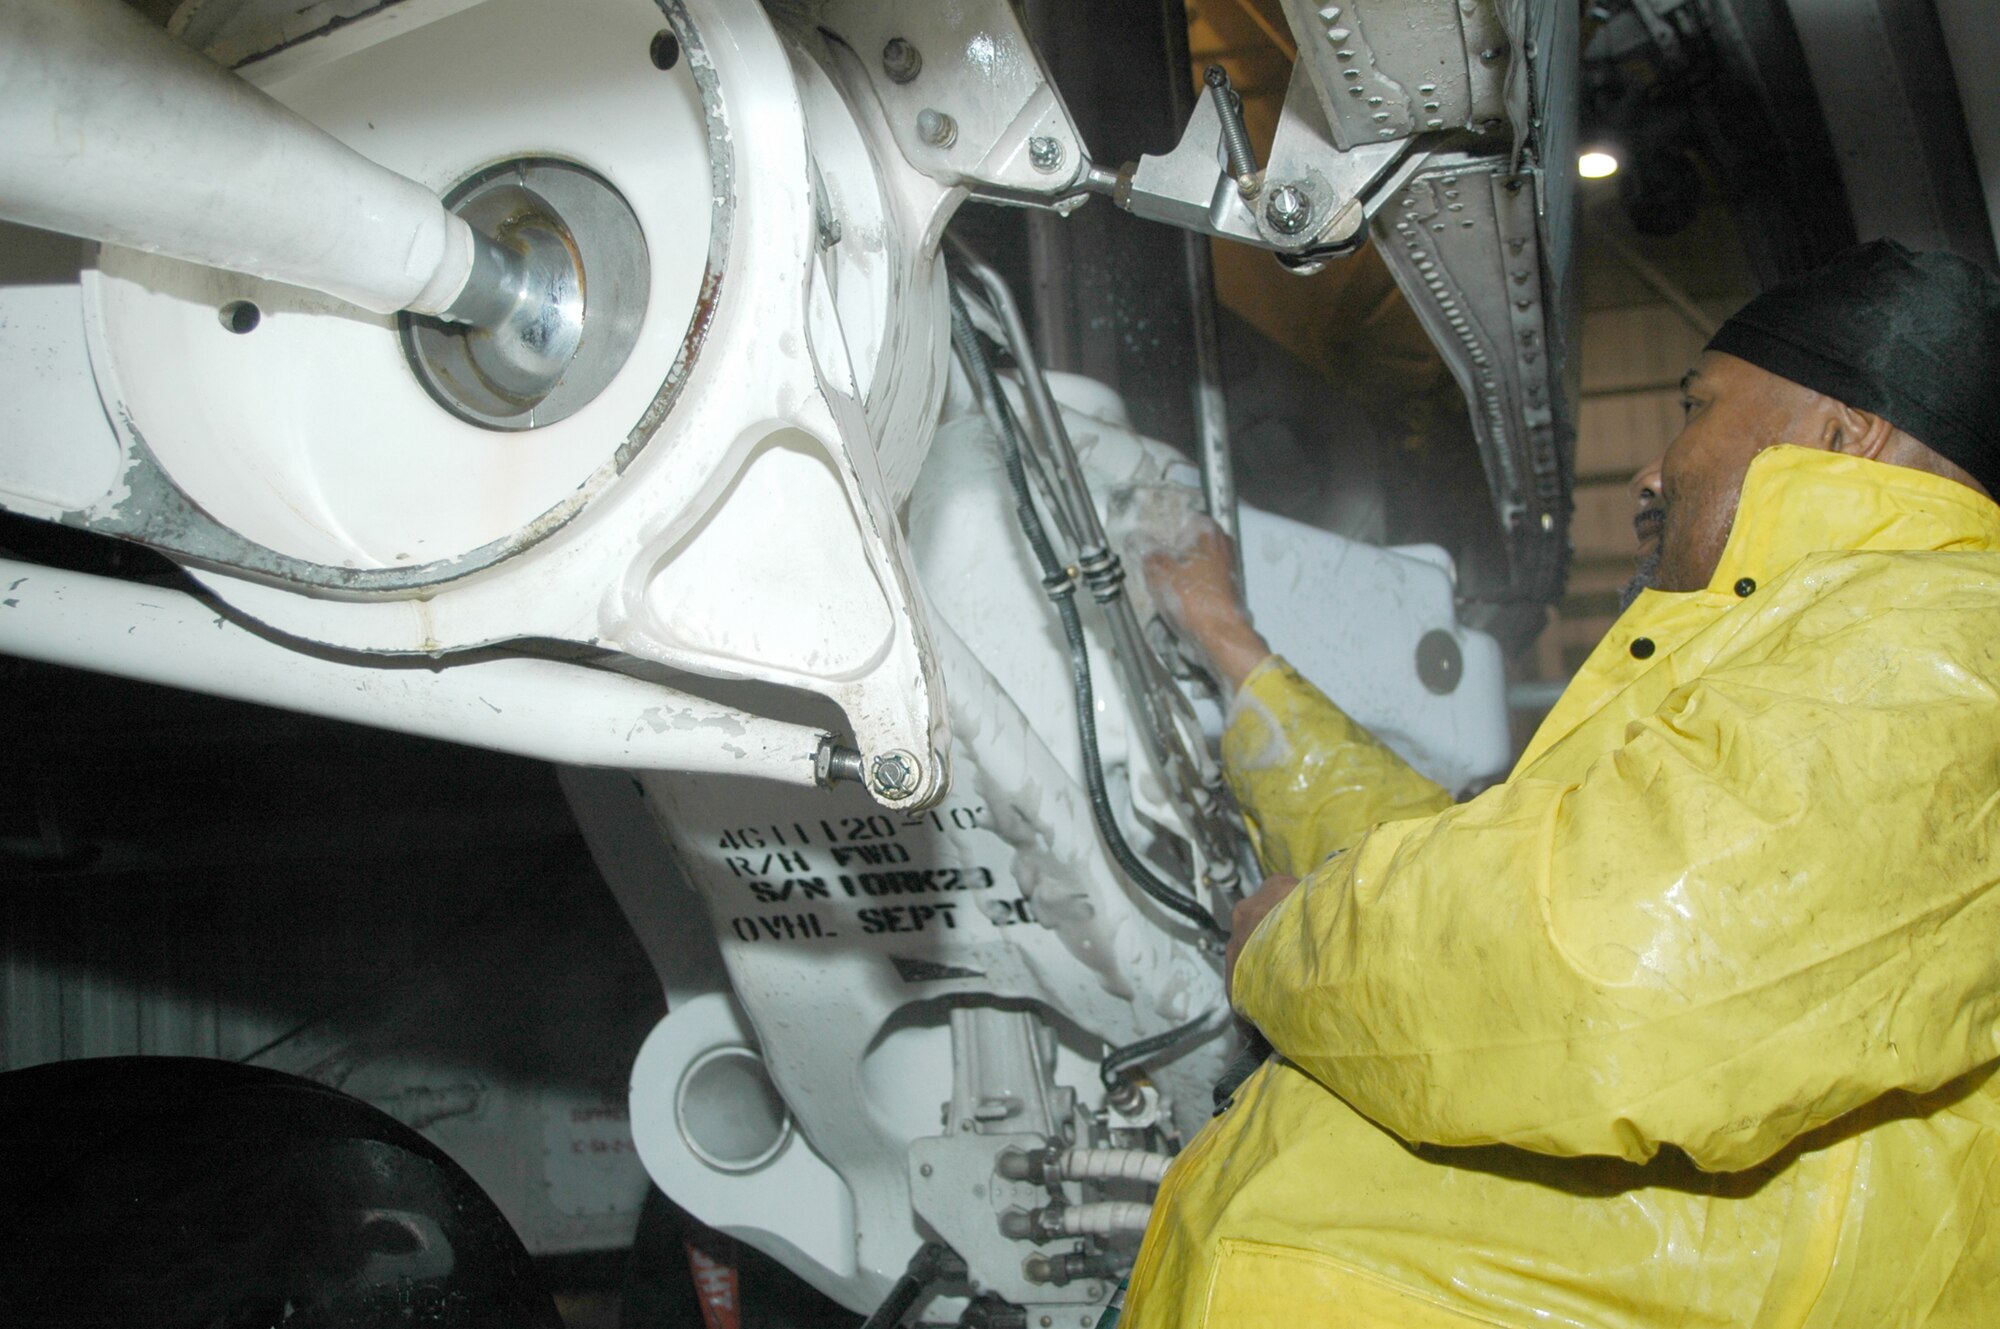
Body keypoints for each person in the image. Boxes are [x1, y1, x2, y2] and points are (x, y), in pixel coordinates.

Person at [1121, 240, 2000, 1326]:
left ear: (1840, 431)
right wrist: (1233, 653)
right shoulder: (1814, 662)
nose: (1651, 468)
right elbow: (1467, 878)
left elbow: (1602, 969)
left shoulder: (1947, 644)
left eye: (1696, 406)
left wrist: (1280, 948)